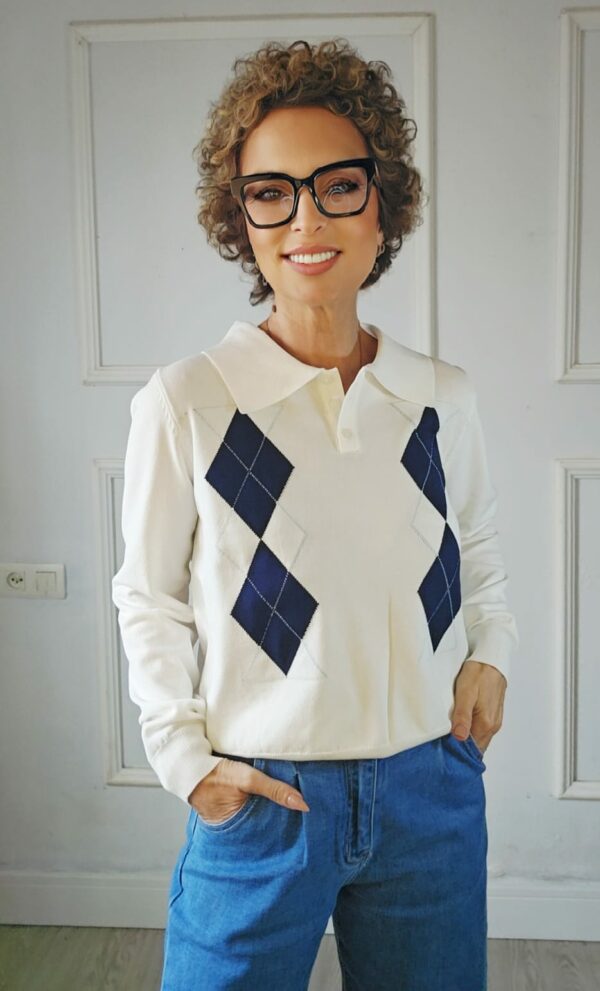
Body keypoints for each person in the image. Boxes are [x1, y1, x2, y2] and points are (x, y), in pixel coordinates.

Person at [111, 37, 519, 991]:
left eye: (338, 185)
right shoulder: (190, 401)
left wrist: (493, 650)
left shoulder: (439, 396)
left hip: (429, 790)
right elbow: (148, 596)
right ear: (242, 218)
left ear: (382, 205)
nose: (306, 218)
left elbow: (478, 543)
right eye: (272, 192)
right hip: (263, 798)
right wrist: (184, 759)